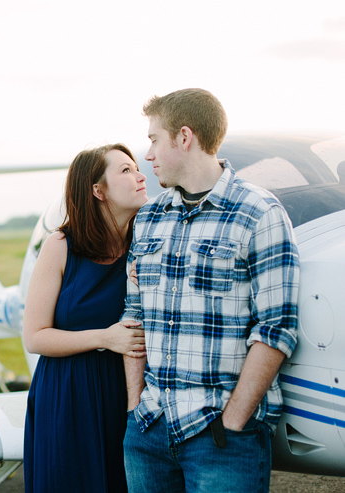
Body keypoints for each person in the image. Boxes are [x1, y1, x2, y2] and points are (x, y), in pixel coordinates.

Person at [122, 88, 300, 493]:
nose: (147, 155)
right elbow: (134, 318)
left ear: (184, 137)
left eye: (153, 140)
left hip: (221, 437)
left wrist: (234, 421)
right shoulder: (149, 218)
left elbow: (277, 328)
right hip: (148, 430)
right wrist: (135, 408)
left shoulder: (259, 213)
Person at [23, 144, 148, 492]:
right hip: (68, 395)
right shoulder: (61, 245)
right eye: (125, 170)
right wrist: (104, 337)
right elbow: (35, 337)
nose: (139, 175)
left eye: (136, 168)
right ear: (98, 190)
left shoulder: (148, 243)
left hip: (126, 391)